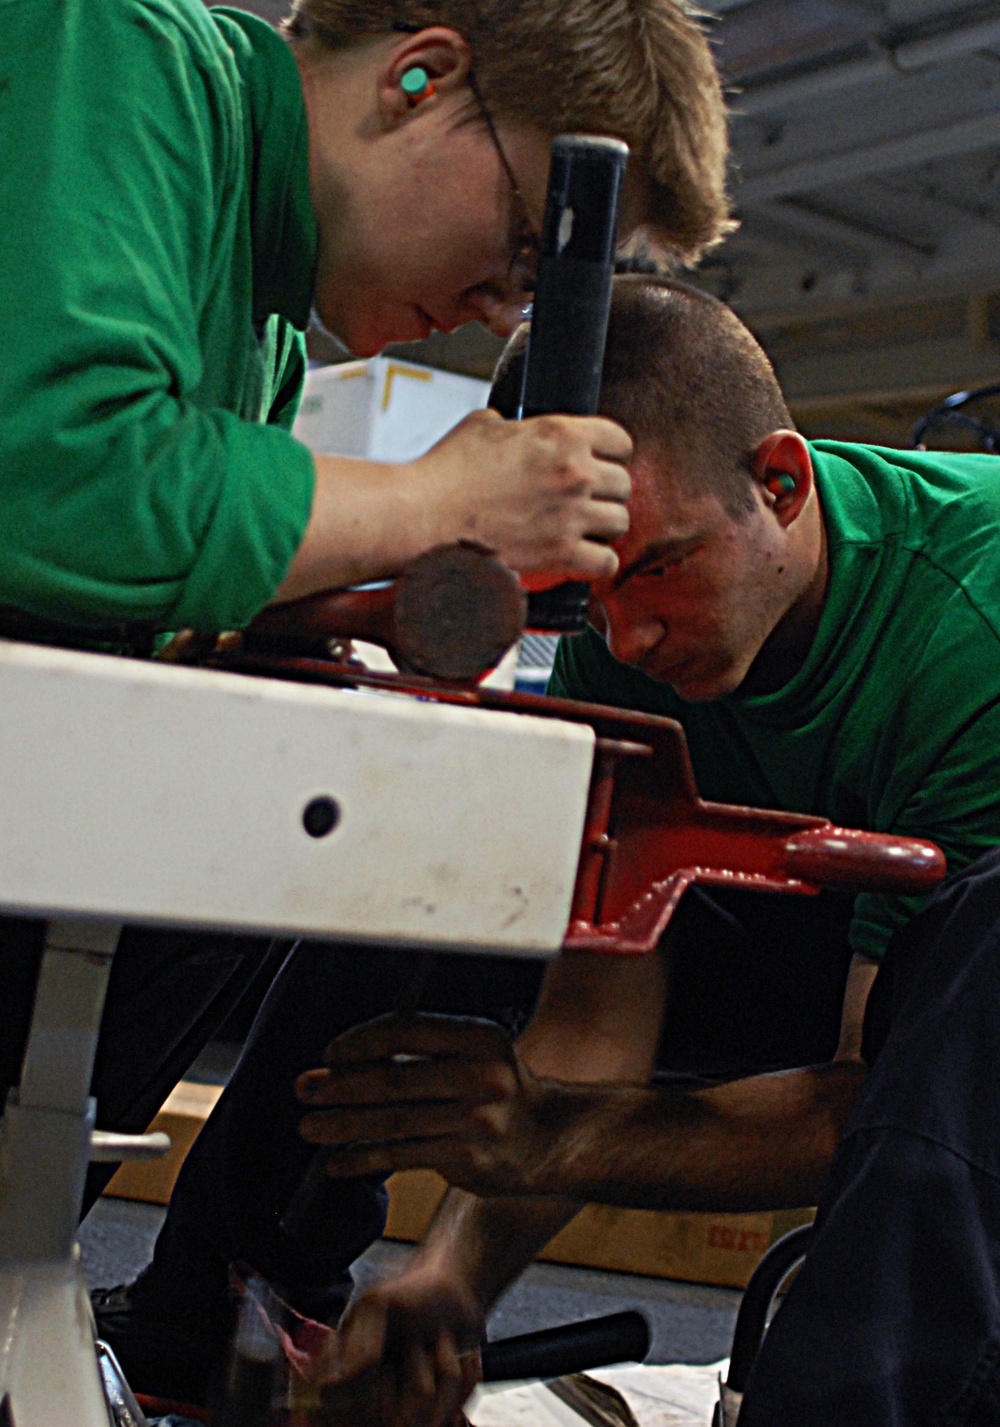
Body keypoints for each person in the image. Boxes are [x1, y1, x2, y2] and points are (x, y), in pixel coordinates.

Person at [0, 0, 733, 1409]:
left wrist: (345, 591)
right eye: (527, 248)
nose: (504, 310)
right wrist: (427, 496)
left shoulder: (262, 327)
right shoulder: (119, 49)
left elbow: (154, 593)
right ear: (421, 78)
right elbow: (56, 470)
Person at [295, 276, 1000, 1425]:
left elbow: (900, 1103)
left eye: (661, 568)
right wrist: (448, 1281)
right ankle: (228, 1297)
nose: (628, 636)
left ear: (780, 482)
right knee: (450, 865)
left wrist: (559, 1133)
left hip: (967, 1001)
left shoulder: (969, 634)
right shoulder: (622, 647)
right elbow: (594, 1012)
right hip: (876, 960)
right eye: (585, 596)